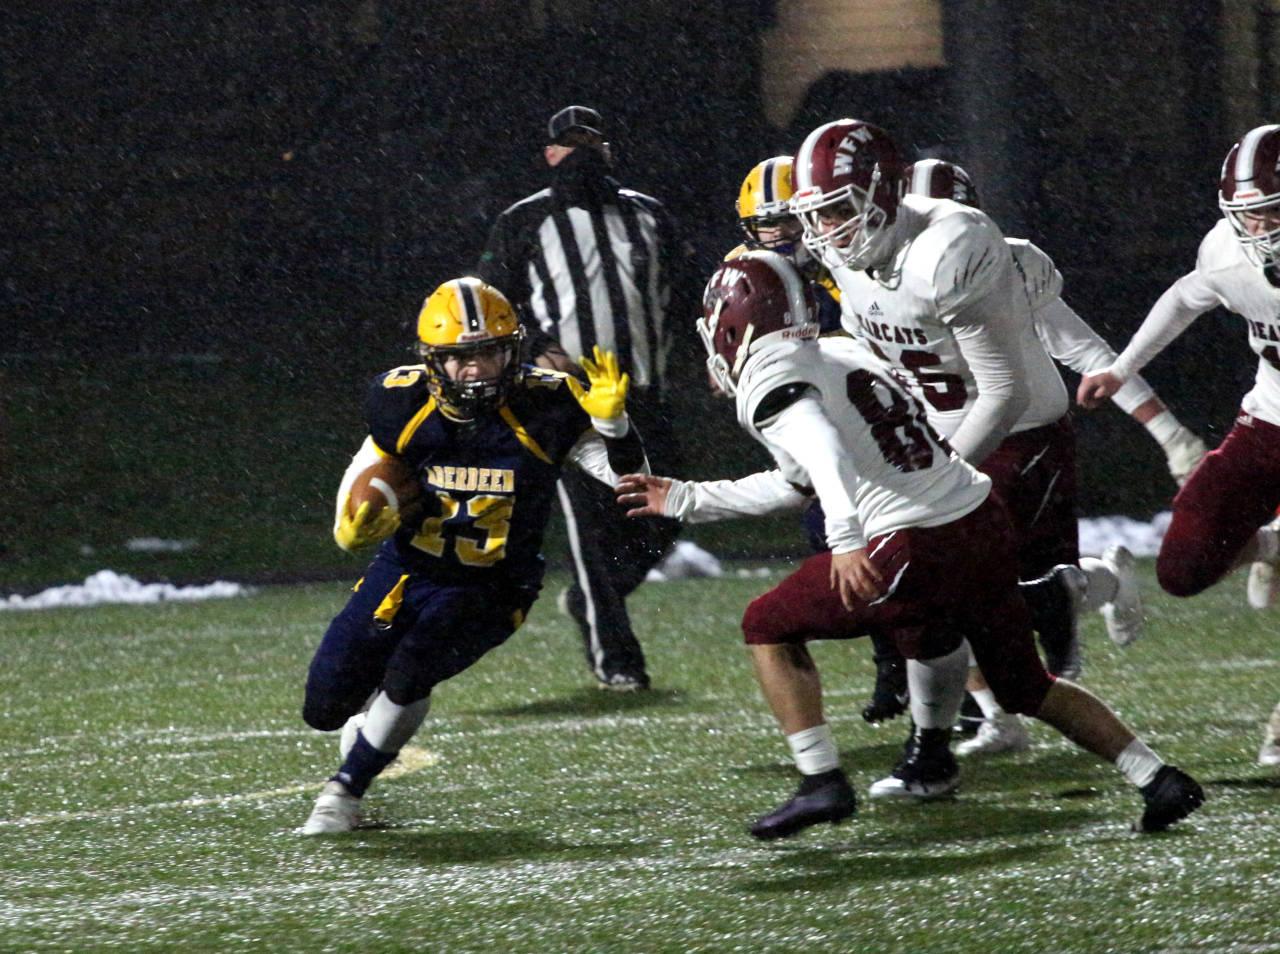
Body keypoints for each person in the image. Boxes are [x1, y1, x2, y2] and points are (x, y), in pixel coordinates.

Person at [617, 250, 1203, 839]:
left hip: (913, 540)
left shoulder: (771, 377)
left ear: (733, 324)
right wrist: (691, 498)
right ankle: (1157, 777)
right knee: (1019, 681)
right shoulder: (841, 352)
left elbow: (823, 453)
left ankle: (821, 780)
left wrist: (845, 538)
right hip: (977, 518)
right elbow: (800, 481)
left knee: (766, 624)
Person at [787, 118, 1143, 795]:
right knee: (933, 596)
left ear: (883, 192)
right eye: (816, 215)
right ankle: (939, 748)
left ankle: (1094, 593)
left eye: (837, 210)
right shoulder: (848, 250)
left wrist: (936, 480)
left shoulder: (951, 247)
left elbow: (1003, 390)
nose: (826, 230)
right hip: (931, 436)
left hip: (1016, 435)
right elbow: (872, 345)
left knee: (1000, 601)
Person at [299, 277, 647, 834]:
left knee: (412, 669)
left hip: (494, 583)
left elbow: (629, 482)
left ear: (513, 350)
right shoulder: (399, 401)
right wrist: (353, 527)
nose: (477, 369)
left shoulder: (548, 404)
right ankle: (371, 733)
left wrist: (615, 427)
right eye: (461, 357)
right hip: (406, 570)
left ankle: (344, 791)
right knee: (324, 707)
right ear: (432, 360)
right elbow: (365, 483)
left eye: (489, 352)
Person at [899, 158, 1209, 756]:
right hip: (940, 445)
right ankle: (997, 715)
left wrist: (1170, 434)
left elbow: (1085, 351)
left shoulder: (1001, 264)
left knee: (1001, 586)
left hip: (1022, 440)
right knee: (954, 582)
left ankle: (1100, 585)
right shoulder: (880, 274)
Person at [1077, 123, 1280, 767]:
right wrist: (1121, 370)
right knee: (1183, 569)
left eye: (1272, 212)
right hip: (1270, 421)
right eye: (1250, 215)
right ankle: (1272, 545)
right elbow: (1186, 296)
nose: (1260, 230)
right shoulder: (1227, 251)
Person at [476, 105, 687, 692]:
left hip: (644, 395)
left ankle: (595, 598)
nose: (582, 153)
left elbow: (688, 290)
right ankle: (617, 657)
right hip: (568, 403)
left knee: (667, 518)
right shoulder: (524, 220)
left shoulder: (648, 214)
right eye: (570, 143)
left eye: (591, 141)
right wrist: (536, 347)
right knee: (591, 534)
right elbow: (490, 304)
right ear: (550, 155)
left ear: (608, 150)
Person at [730, 156, 909, 723]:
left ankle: (924, 659)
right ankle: (896, 658)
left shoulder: (849, 260)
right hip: (810, 417)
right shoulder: (745, 272)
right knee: (832, 536)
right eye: (768, 224)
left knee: (896, 538)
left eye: (790, 220)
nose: (781, 234)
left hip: (877, 415)